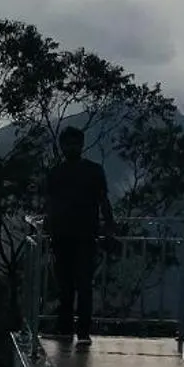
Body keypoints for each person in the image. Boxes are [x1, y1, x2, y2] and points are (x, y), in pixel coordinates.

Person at [40, 126, 117, 343]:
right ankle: (67, 329)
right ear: (63, 146)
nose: (72, 147)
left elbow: (103, 201)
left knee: (81, 285)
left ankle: (81, 331)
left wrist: (109, 226)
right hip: (64, 236)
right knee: (67, 285)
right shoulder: (58, 173)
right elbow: (50, 205)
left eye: (75, 143)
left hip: (83, 236)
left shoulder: (90, 171)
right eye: (68, 143)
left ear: (81, 145)